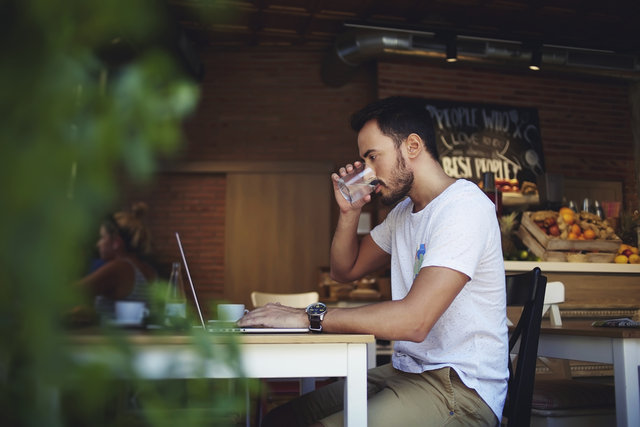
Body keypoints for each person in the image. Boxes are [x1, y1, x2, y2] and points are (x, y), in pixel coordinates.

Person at [238, 96, 508, 426]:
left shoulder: (463, 207)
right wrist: (350, 211)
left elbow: (415, 321)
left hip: (459, 390)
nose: (367, 171)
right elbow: (344, 271)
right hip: (406, 372)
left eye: (373, 157)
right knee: (282, 418)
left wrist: (309, 316)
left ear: (412, 146)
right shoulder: (403, 214)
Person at [77, 201, 157, 321]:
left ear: (116, 242)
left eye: (102, 237)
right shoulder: (149, 271)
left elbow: (72, 293)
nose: (98, 244)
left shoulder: (120, 268)